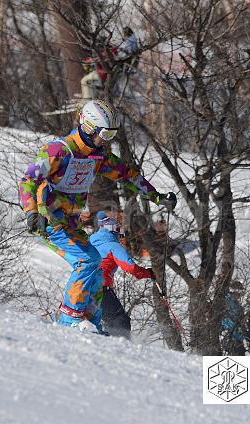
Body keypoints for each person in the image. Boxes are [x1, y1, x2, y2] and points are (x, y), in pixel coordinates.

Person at [19, 99, 177, 331]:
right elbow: (29, 180)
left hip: (71, 224)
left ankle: (92, 323)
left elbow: (128, 174)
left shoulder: (97, 157)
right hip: (50, 221)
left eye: (111, 135)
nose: (106, 140)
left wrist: (157, 197)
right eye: (104, 134)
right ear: (88, 126)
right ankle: (69, 319)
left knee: (97, 272)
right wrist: (32, 212)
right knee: (88, 260)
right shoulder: (59, 150)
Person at [86, 211, 155, 338]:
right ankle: (122, 345)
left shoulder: (90, 243)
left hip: (82, 286)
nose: (120, 236)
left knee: (103, 320)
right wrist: (149, 273)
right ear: (113, 230)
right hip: (100, 287)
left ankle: (103, 341)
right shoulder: (113, 245)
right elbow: (130, 267)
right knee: (119, 320)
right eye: (119, 232)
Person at [221, 280, 247, 355]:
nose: (240, 295)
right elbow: (226, 320)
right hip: (230, 337)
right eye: (239, 292)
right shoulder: (228, 302)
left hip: (235, 336)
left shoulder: (236, 303)